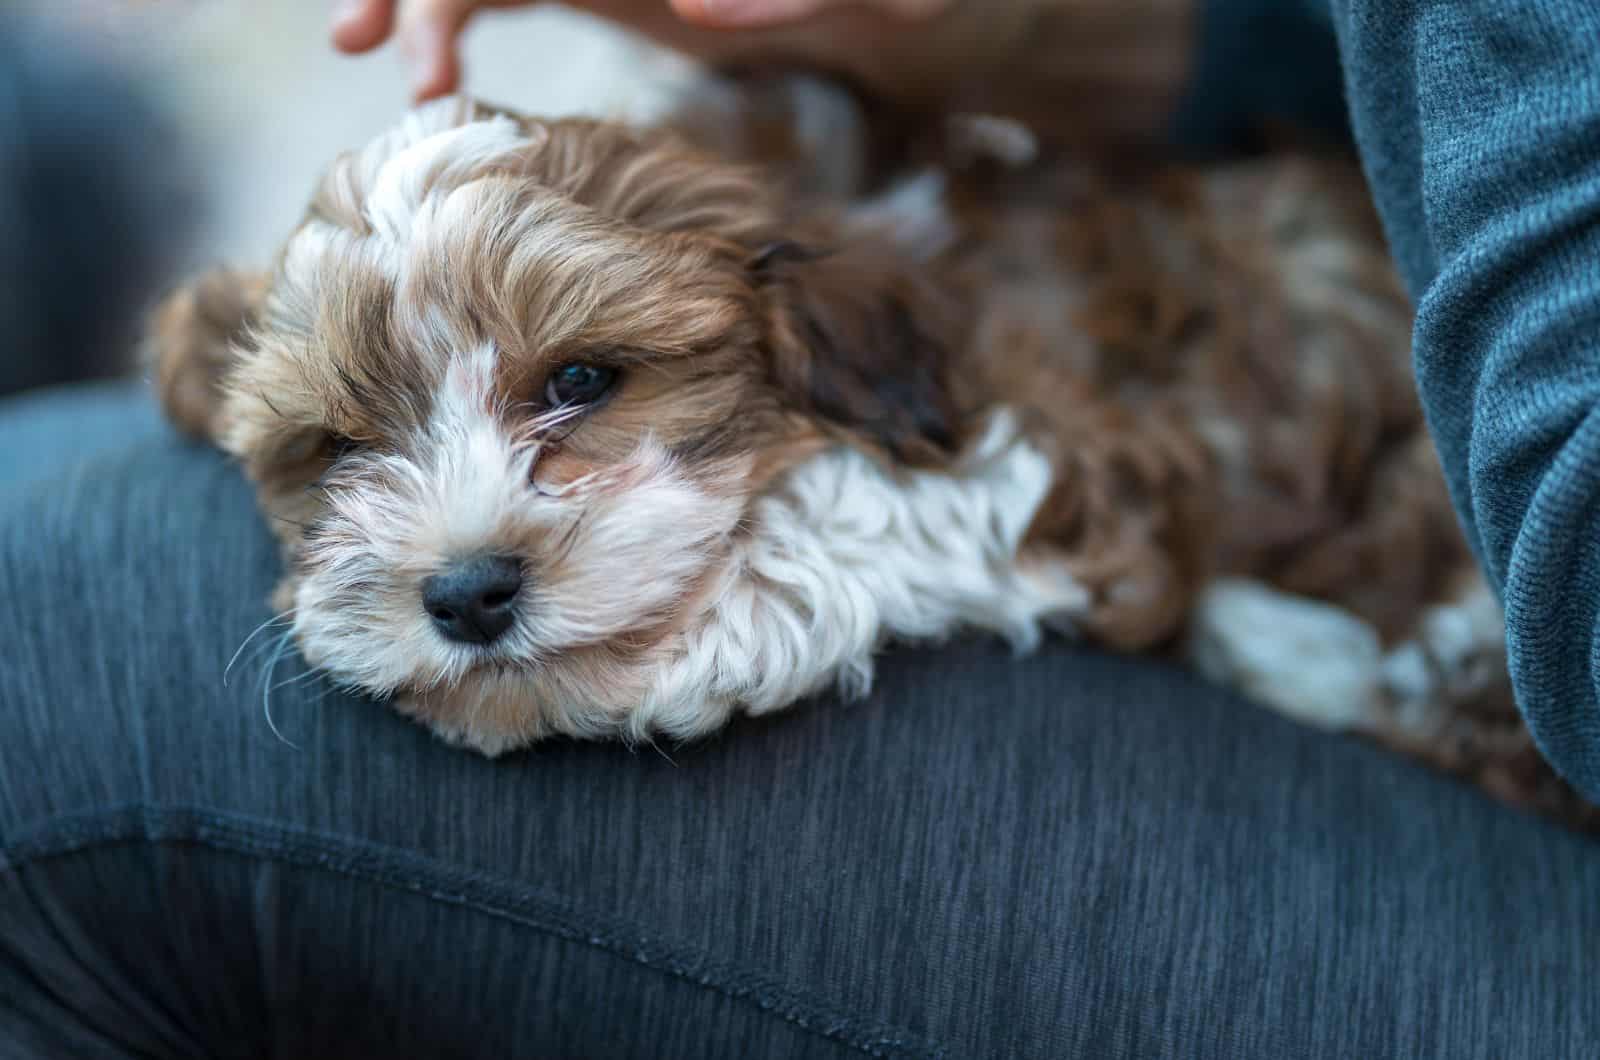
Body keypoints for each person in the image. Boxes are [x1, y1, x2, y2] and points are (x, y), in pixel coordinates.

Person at [3, 2, 1598, 1055]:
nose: (467, 542)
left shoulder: (931, 364)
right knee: (63, 517)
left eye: (576, 386)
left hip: (1513, 765)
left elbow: (1051, 508)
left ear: (810, 336)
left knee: (48, 639)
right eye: (346, 444)